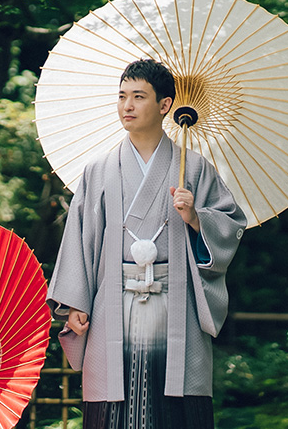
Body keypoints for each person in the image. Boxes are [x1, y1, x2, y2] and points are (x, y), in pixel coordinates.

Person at [47, 58, 247, 429]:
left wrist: (197, 219)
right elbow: (79, 239)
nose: (127, 105)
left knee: (175, 405)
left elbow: (232, 224)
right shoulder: (99, 169)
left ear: (166, 105)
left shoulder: (195, 168)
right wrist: (76, 300)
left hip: (175, 303)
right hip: (112, 302)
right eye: (122, 96)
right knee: (113, 405)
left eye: (139, 96)